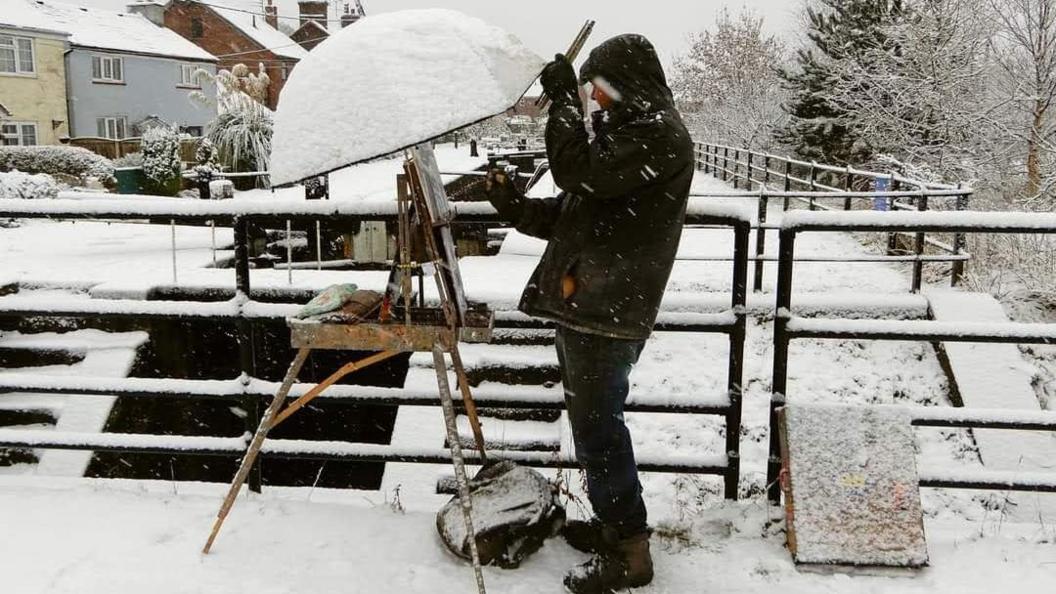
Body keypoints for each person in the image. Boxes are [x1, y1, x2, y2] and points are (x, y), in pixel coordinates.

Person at [485, 34, 694, 593]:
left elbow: (575, 172)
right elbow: (574, 211)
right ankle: (612, 529)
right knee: (593, 427)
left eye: (598, 91)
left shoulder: (657, 135)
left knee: (600, 432)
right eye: (591, 93)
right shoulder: (632, 135)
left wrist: (562, 106)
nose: (594, 102)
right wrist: (513, 206)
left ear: (624, 84)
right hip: (594, 304)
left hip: (607, 308)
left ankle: (629, 551)